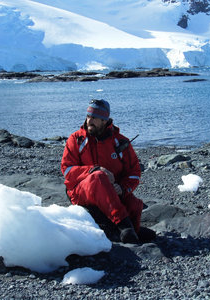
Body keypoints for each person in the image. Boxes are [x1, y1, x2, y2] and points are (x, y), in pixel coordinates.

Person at [61, 99, 156, 244]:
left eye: (94, 118)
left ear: (105, 120)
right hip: (80, 191)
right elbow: (67, 170)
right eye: (88, 116)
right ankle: (124, 227)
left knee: (133, 204)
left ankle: (133, 231)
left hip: (109, 191)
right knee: (98, 177)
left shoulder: (120, 142)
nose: (89, 121)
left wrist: (122, 188)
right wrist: (93, 169)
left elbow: (134, 172)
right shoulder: (76, 139)